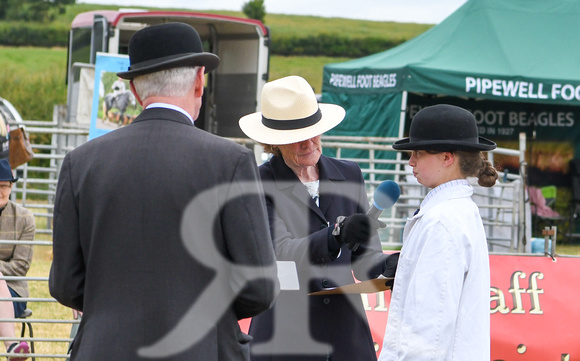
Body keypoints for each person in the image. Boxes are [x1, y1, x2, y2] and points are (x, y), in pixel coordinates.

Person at [49, 22, 279, 361]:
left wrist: (113, 307)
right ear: (200, 81)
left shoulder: (80, 163)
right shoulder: (230, 162)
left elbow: (66, 284)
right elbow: (258, 288)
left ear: (138, 92)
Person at [238, 75, 399, 360]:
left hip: (345, 336)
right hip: (285, 334)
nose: (309, 142)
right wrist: (336, 235)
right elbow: (281, 250)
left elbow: (364, 263)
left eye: (313, 131)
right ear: (274, 142)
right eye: (296, 137)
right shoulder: (257, 182)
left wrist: (387, 263)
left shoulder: (349, 173)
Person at [378, 104, 498, 360]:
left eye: (418, 153)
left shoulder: (442, 220)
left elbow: (428, 329)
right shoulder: (457, 210)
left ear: (447, 157)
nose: (410, 161)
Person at [0, 159, 34, 360]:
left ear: (11, 187)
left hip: (13, 292)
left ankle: (12, 346)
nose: (1, 191)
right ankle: (12, 346)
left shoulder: (25, 218)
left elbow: (21, 266)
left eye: (4, 186)